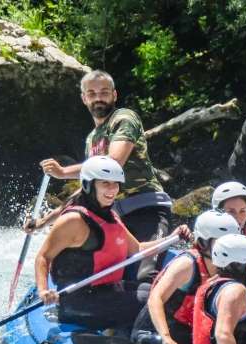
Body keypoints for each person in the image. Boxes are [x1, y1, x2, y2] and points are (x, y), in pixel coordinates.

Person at [35, 70, 172, 280]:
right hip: (112, 218)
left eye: (104, 92)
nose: (98, 97)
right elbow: (88, 191)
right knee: (103, 278)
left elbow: (112, 164)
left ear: (114, 95)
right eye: (91, 93)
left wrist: (63, 172)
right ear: (84, 98)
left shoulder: (124, 118)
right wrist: (46, 220)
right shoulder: (92, 138)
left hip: (146, 209)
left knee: (146, 277)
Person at [34, 156, 187, 330]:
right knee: (150, 301)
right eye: (105, 183)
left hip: (106, 290)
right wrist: (43, 290)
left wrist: (172, 237)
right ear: (88, 185)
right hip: (78, 301)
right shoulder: (74, 221)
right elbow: (43, 257)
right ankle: (143, 337)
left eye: (115, 184)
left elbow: (137, 249)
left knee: (161, 292)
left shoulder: (110, 215)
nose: (112, 189)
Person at [130, 210, 238, 344]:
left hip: (187, 335)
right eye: (222, 242)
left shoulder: (227, 268)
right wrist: (167, 338)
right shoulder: (187, 265)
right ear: (203, 242)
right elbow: (156, 298)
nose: (229, 248)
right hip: (154, 333)